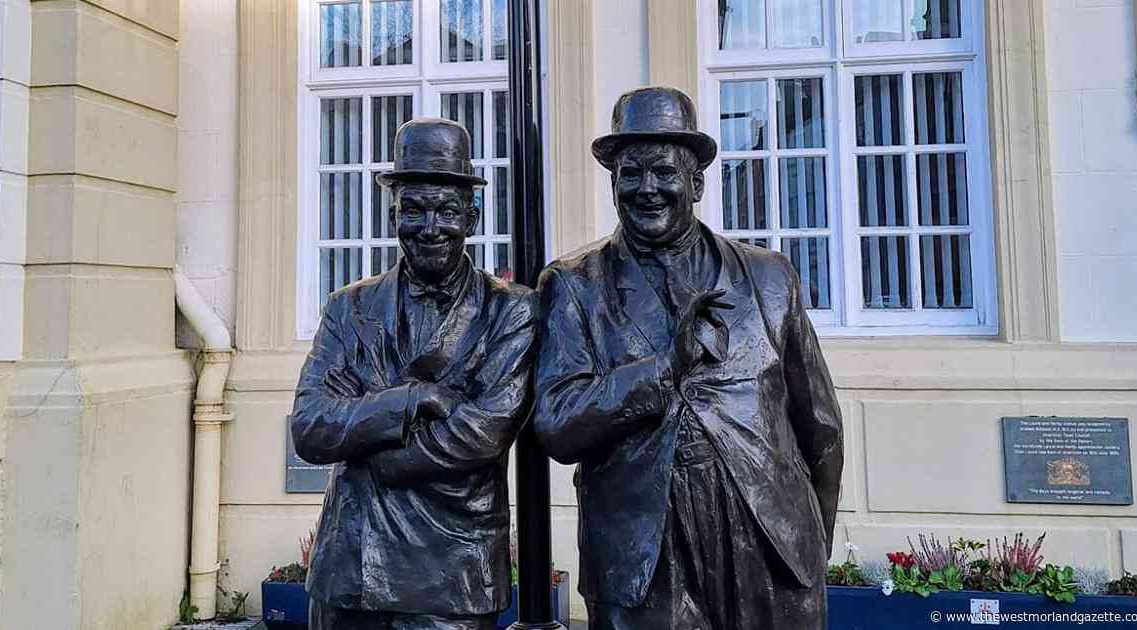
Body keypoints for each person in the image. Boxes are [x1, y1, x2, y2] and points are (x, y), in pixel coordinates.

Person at [533, 87, 843, 629]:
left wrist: (809, 543)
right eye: (630, 173)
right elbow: (558, 425)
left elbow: (821, 427)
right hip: (644, 559)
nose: (646, 188)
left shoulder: (769, 278)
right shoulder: (574, 285)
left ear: (696, 182)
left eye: (664, 172)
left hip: (769, 543)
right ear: (613, 183)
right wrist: (661, 370)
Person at [290, 118, 536, 630]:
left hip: (453, 573)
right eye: (415, 210)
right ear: (393, 213)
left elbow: (482, 433)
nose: (430, 227)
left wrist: (371, 450)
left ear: (472, 216)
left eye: (447, 211)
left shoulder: (510, 312)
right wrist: (409, 400)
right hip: (350, 571)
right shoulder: (348, 308)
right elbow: (311, 427)